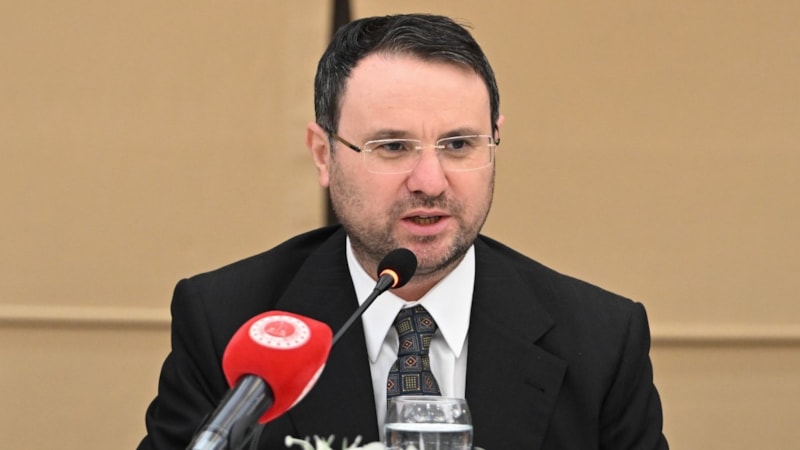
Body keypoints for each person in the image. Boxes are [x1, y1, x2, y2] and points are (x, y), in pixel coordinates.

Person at [138, 13, 668, 450]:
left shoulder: (601, 340)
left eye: (458, 144)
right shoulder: (228, 322)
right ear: (323, 155)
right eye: (392, 147)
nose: (430, 182)